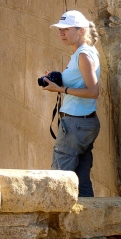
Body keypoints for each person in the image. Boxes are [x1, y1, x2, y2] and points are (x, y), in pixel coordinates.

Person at [42, 10, 101, 197]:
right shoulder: (86, 52)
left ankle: (58, 224)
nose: (62, 33)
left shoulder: (83, 55)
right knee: (81, 179)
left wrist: (60, 90)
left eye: (66, 29)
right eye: (60, 30)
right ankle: (89, 221)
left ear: (81, 30)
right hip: (84, 123)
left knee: (60, 177)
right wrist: (60, 80)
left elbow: (93, 92)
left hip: (75, 124)